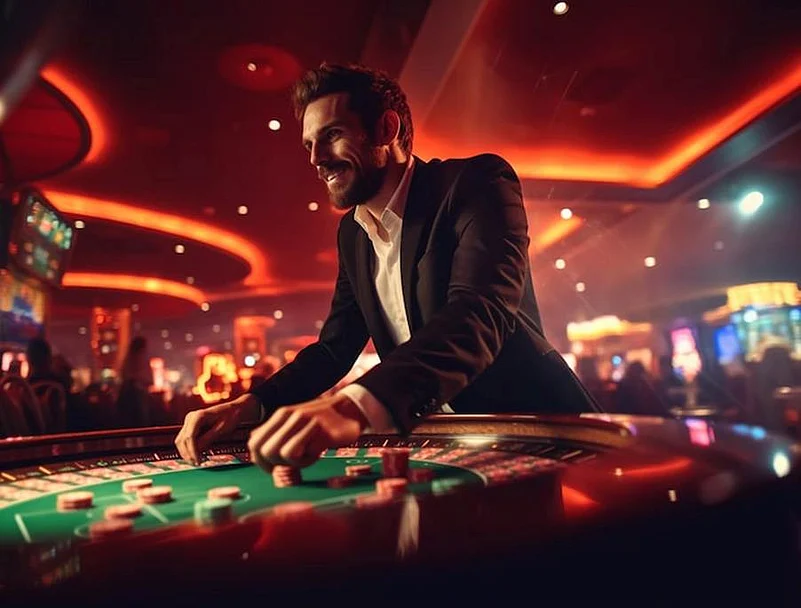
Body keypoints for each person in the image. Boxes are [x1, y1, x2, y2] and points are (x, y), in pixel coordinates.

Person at [175, 63, 600, 471]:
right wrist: (249, 405)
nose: (316, 160)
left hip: (542, 435)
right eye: (309, 144)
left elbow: (478, 314)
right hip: (445, 445)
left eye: (333, 135)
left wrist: (353, 405)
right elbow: (333, 349)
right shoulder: (353, 235)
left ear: (386, 129)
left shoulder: (476, 183)